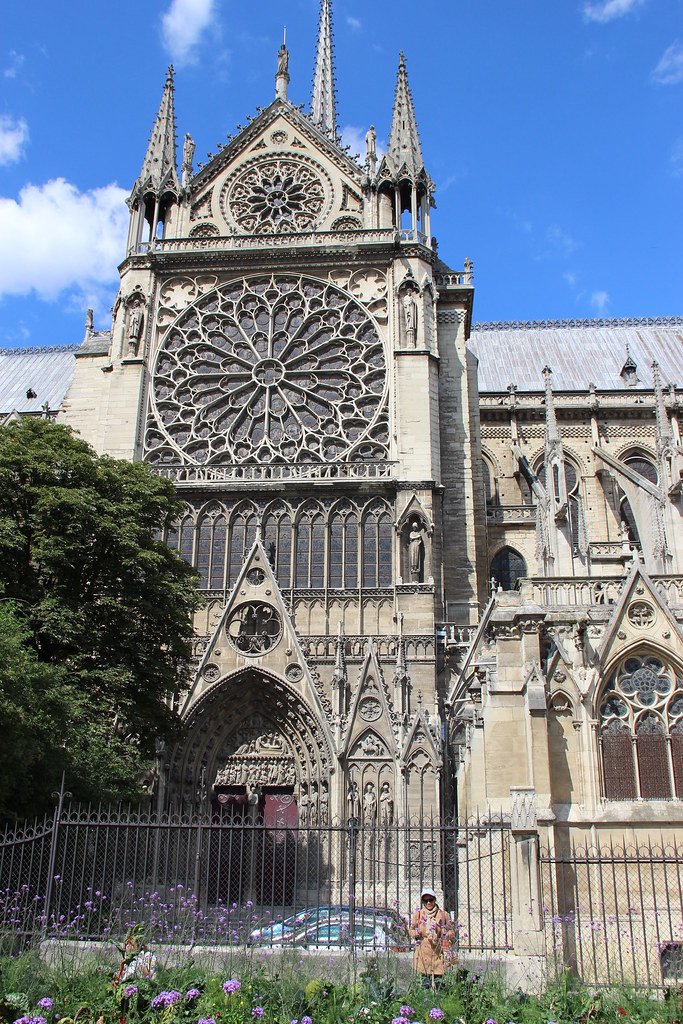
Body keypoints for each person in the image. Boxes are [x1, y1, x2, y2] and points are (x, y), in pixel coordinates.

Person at [409, 887, 454, 989]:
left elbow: (452, 931)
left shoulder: (443, 915)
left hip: (437, 951)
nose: (428, 903)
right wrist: (416, 933)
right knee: (425, 982)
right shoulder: (418, 915)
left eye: (431, 900)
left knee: (439, 982)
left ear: (435, 900)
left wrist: (446, 934)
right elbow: (411, 930)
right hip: (423, 951)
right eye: (426, 900)